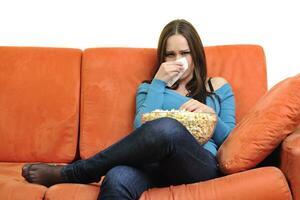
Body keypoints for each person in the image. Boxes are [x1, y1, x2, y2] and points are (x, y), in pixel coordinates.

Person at [22, 19, 235, 200]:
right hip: (152, 167)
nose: (177, 60)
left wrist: (211, 116)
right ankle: (84, 172)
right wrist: (158, 83)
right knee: (117, 178)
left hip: (196, 165)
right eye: (170, 54)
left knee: (168, 128)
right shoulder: (149, 88)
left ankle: (77, 172)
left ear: (196, 55)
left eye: (184, 53)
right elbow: (141, 128)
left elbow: (231, 141)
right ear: (162, 58)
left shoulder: (217, 87)